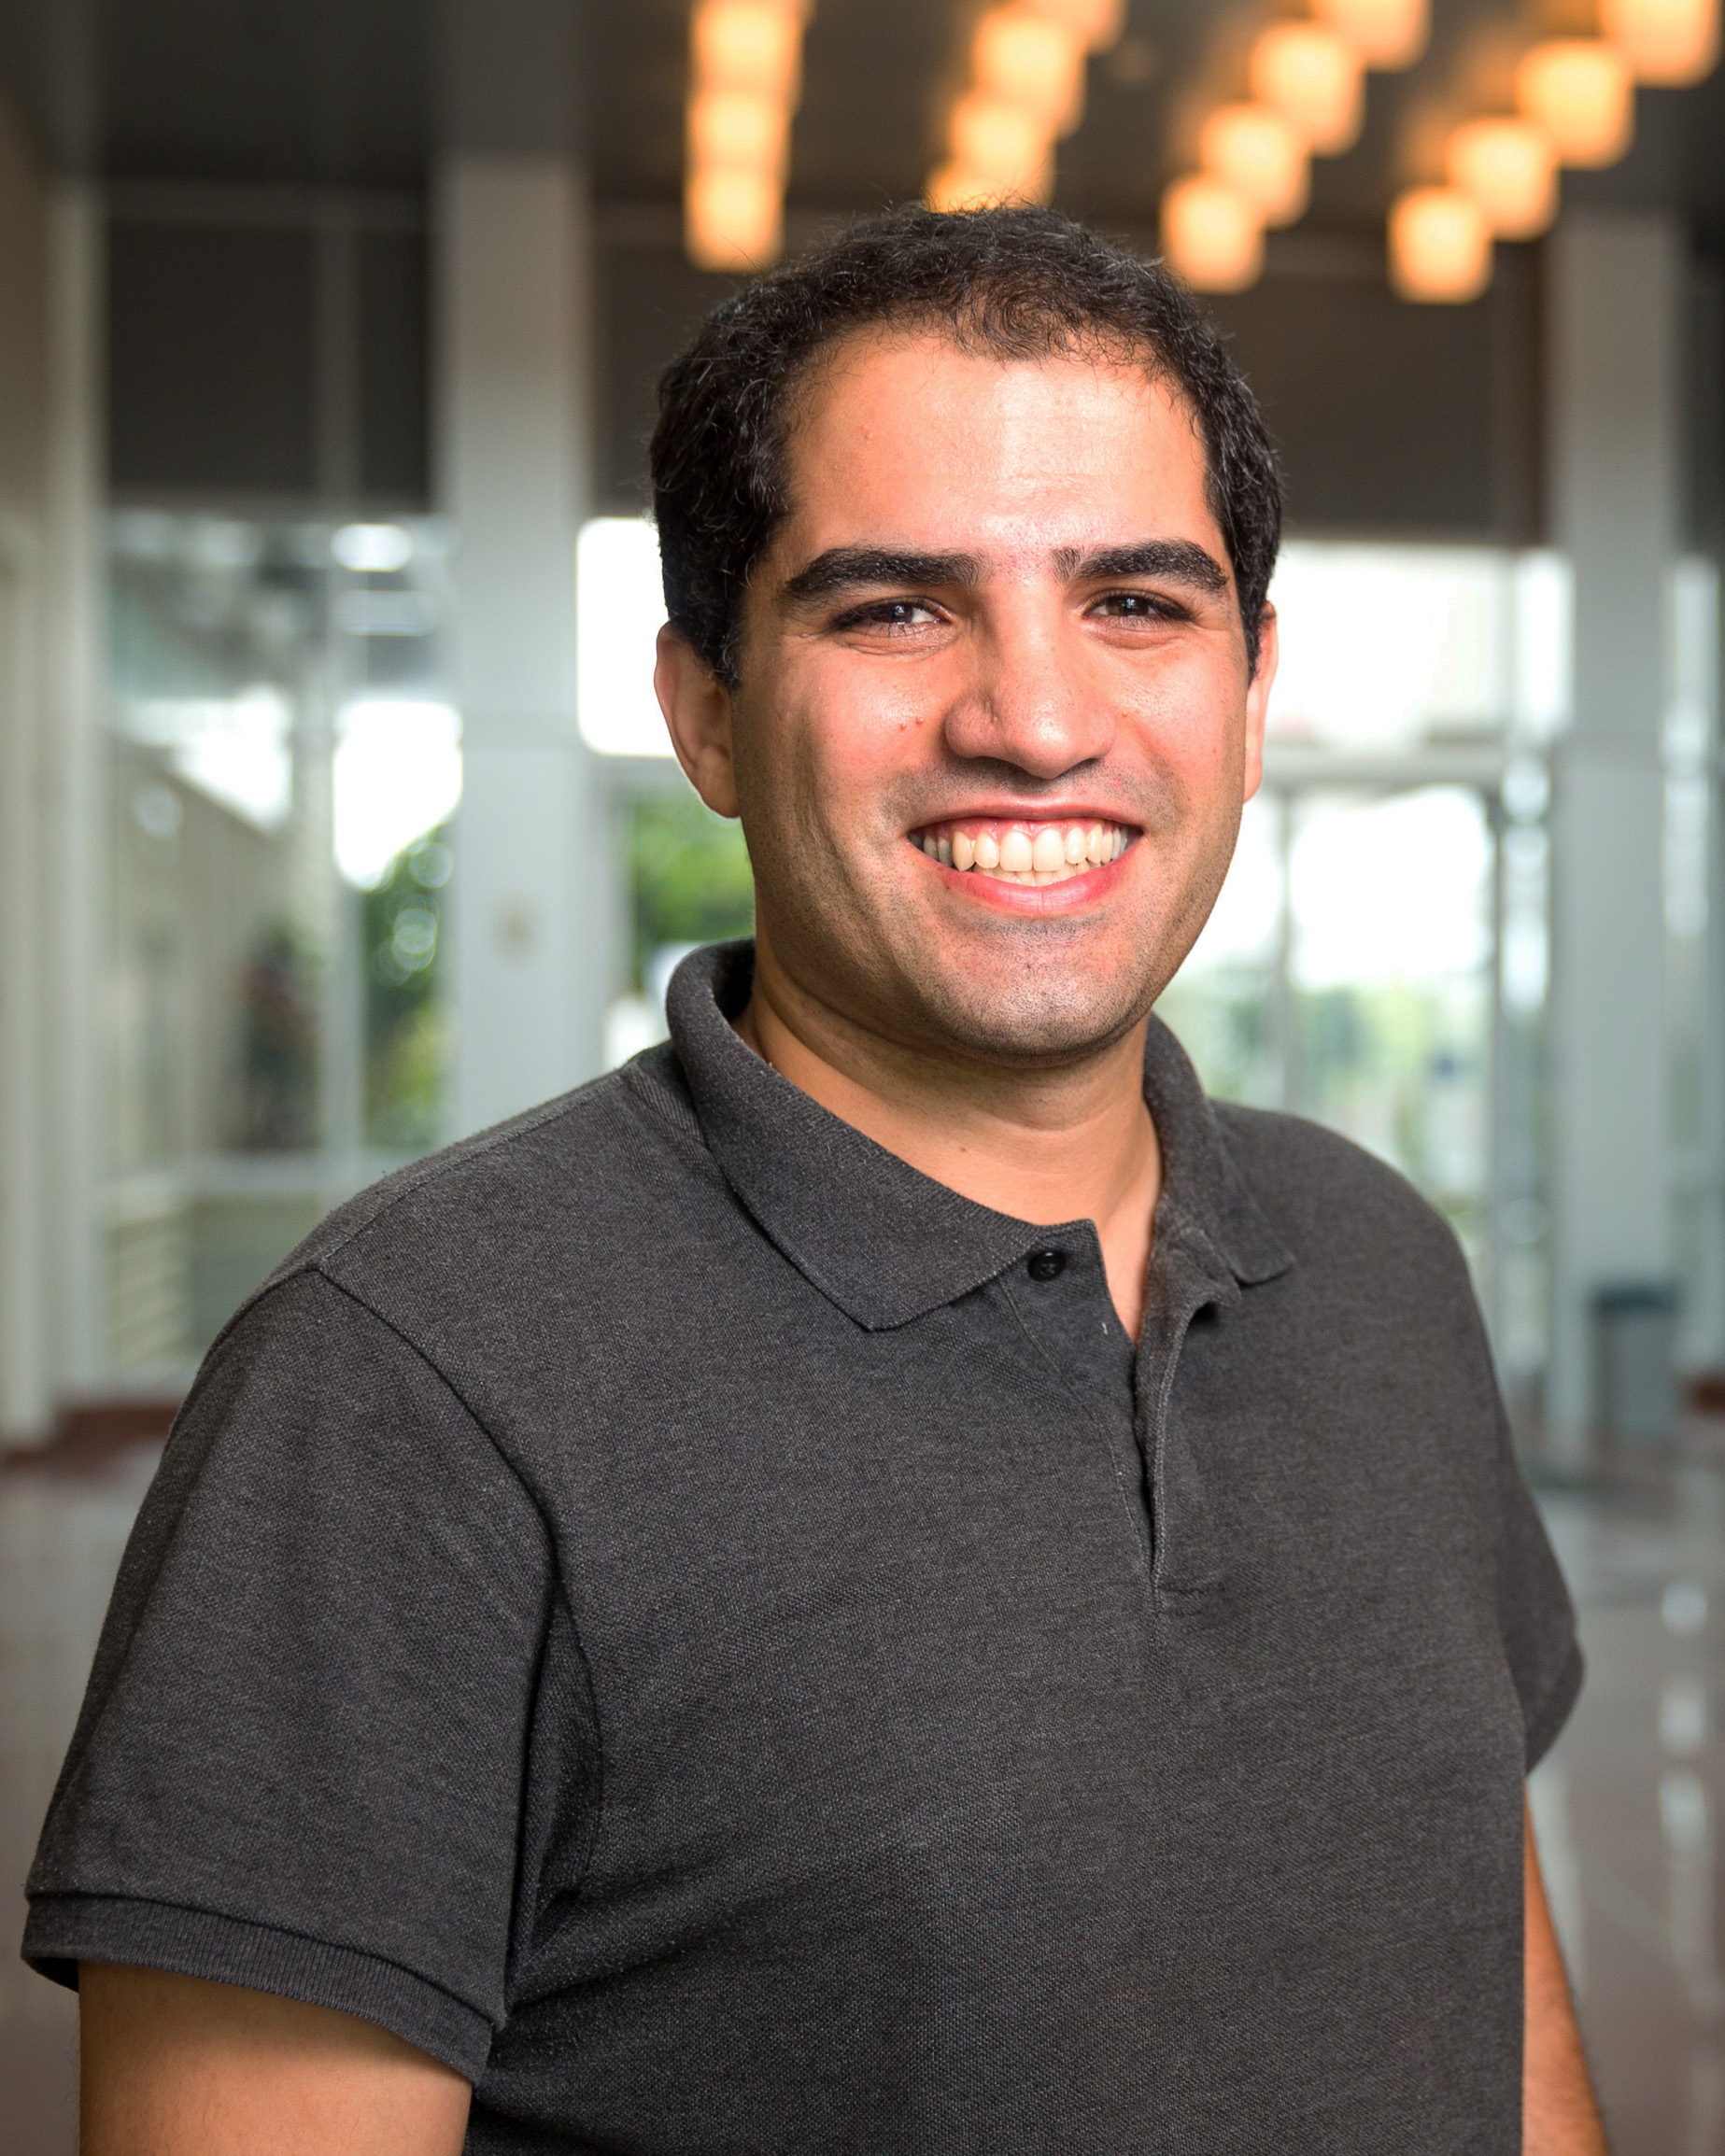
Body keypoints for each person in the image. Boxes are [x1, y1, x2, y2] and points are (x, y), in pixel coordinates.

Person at [26, 205, 1605, 2154]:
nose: (1037, 720)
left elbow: (1482, 1967)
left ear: (1253, 688)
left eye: (1136, 602)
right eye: (896, 610)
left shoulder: (1375, 1260)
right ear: (705, 708)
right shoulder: (404, 1388)